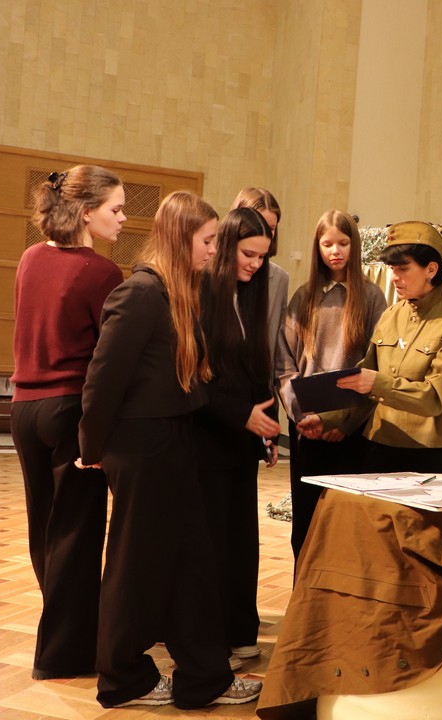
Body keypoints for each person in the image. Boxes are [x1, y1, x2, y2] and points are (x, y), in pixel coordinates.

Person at [77, 190, 262, 708]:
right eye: (207, 241)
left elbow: (186, 380)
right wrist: (91, 445)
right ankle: (121, 678)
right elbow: (102, 379)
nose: (213, 251)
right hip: (142, 446)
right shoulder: (140, 293)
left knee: (191, 563)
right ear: (181, 239)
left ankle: (205, 676)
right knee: (137, 565)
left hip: (171, 441)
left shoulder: (176, 293)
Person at [10, 165, 125, 681]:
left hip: (23, 409)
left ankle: (67, 637)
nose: (122, 219)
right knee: (76, 535)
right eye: (115, 209)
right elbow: (109, 358)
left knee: (45, 532)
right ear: (85, 212)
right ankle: (63, 655)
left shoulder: (29, 257)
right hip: (67, 409)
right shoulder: (102, 273)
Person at [196, 207, 280, 669]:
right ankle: (206, 642)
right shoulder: (201, 291)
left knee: (241, 544)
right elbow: (193, 380)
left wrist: (266, 426)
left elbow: (254, 370)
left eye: (262, 257)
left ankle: (239, 631)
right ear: (226, 247)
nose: (255, 264)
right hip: (206, 438)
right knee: (210, 545)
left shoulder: (251, 294)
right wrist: (241, 415)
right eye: (249, 254)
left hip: (240, 442)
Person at [277, 210, 386, 559]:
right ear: (317, 247)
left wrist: (345, 422)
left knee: (346, 527)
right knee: (306, 525)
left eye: (343, 243)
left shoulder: (372, 298)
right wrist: (301, 416)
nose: (335, 251)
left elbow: (377, 366)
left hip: (349, 432)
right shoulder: (304, 296)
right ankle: (304, 590)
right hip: (306, 428)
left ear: (355, 246)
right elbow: (284, 364)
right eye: (327, 244)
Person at [335, 221, 442, 474]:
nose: (394, 278)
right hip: (381, 442)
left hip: (434, 449)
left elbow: (435, 397)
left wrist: (377, 383)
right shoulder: (391, 314)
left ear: (431, 269)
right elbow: (363, 376)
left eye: (402, 268)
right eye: (391, 269)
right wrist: (326, 419)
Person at [230, 187, 289, 376]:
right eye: (258, 223)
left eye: (271, 228)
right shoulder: (207, 274)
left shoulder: (279, 278)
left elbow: (276, 342)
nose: (265, 233)